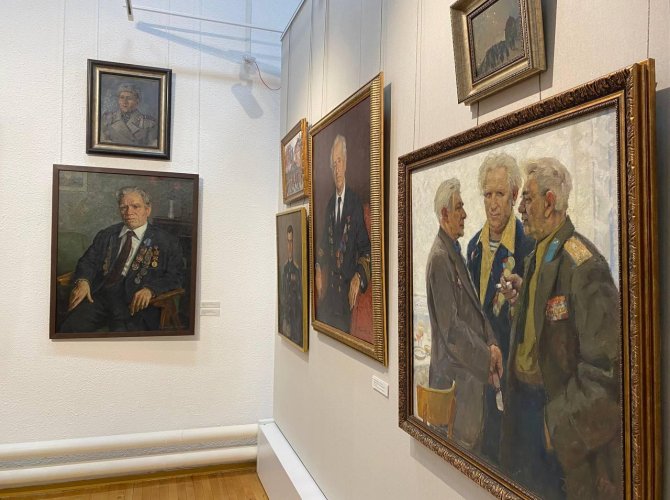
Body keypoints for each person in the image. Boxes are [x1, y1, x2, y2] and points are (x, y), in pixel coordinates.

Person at [499, 158, 622, 499]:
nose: (519, 209)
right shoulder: (538, 256)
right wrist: (521, 303)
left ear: (550, 202)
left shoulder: (585, 266)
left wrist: (555, 426)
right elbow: (549, 330)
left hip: (557, 428)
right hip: (525, 409)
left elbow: (606, 374)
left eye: (527, 199)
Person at [466, 153, 533, 465]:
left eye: (500, 194)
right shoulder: (473, 247)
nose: (492, 204)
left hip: (511, 378)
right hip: (478, 369)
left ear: (514, 195)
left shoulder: (527, 246)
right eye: (487, 194)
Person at [426, 178, 503, 451]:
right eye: (458, 208)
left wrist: (492, 342)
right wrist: (487, 358)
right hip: (455, 391)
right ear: (444, 214)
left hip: (468, 387)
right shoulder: (440, 258)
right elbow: (452, 331)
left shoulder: (454, 251)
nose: (465, 214)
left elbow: (475, 311)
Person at [59, 187, 184, 333]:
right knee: (69, 328)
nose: (129, 212)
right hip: (101, 297)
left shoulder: (167, 241)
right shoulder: (107, 234)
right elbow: (88, 261)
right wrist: (83, 281)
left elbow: (176, 276)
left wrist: (151, 289)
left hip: (135, 304)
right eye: (124, 207)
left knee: (121, 341)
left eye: (135, 206)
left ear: (147, 210)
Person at [315, 134, 370, 334]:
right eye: (333, 164)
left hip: (346, 297)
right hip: (329, 296)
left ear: (345, 164)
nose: (336, 168)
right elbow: (323, 245)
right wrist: (318, 267)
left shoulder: (355, 204)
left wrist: (358, 276)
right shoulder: (330, 205)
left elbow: (366, 250)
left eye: (339, 161)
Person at [100, 83, 158, 147]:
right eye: (122, 97)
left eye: (129, 98)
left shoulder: (149, 123)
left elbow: (153, 147)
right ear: (118, 100)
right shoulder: (107, 119)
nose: (124, 102)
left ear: (137, 101)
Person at [280, 224, 303, 345]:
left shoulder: (297, 270)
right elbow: (283, 296)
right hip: (286, 320)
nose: (289, 247)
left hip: (295, 323)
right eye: (288, 242)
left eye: (291, 242)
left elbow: (300, 300)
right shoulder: (284, 269)